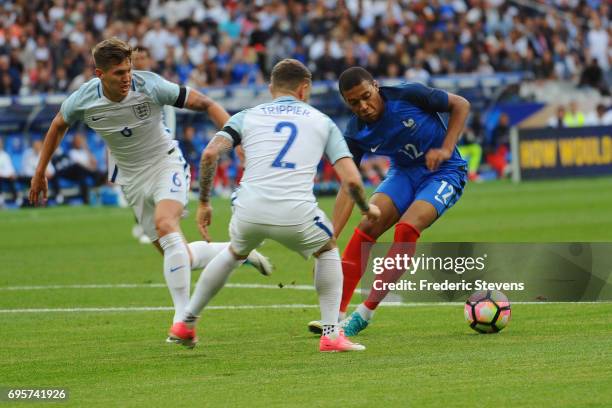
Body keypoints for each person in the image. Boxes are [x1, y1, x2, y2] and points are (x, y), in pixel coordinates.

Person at [28, 38, 271, 340]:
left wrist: (234, 143)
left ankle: (183, 320)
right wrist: (40, 172)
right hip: (131, 181)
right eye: (118, 73)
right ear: (99, 75)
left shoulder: (150, 85)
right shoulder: (83, 100)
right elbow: (57, 125)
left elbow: (206, 103)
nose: (126, 77)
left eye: (128, 70)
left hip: (165, 164)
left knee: (165, 224)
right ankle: (237, 251)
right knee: (181, 255)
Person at [169, 59, 380, 352]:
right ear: (304, 89)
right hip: (296, 212)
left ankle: (186, 322)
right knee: (327, 248)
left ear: (271, 88)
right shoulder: (322, 122)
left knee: (233, 252)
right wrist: (366, 208)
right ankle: (331, 334)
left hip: (248, 209)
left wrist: (204, 201)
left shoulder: (247, 115)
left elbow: (209, 155)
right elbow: (353, 181)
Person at [308, 67, 470, 336]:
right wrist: (331, 236)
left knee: (406, 228)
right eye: (354, 102)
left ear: (376, 86)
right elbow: (349, 185)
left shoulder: (408, 95)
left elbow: (460, 104)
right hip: (403, 173)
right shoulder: (355, 133)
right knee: (367, 227)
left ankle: (365, 314)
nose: (363, 106)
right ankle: (335, 317)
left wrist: (446, 148)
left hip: (444, 171)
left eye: (366, 96)